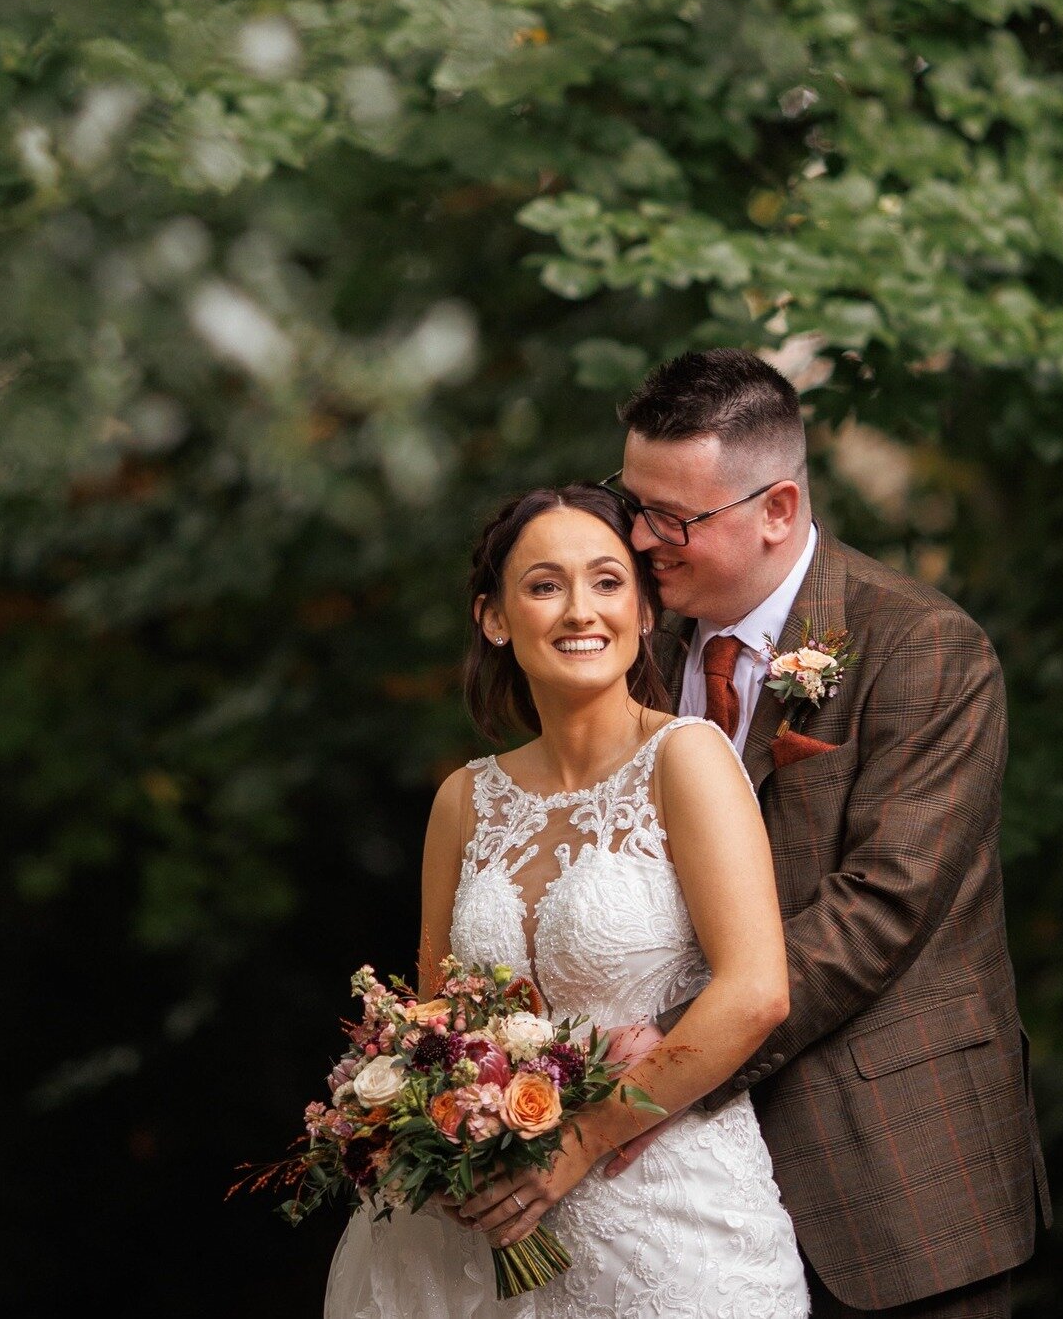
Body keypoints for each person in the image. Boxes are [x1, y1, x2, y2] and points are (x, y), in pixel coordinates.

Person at [598, 348, 1051, 1317]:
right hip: (675, 1201)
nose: (639, 538)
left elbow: (879, 906)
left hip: (889, 1170)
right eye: (630, 502)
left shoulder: (923, 647)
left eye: (674, 518)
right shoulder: (634, 647)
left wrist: (669, 1060)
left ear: (777, 510)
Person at [324, 483, 811, 1317]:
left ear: (646, 611)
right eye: (545, 585)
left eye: (609, 581)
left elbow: (756, 992)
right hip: (477, 1241)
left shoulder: (686, 761)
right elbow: (435, 1023)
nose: (580, 610)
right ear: (495, 618)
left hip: (666, 1225)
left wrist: (581, 1141)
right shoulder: (463, 801)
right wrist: (436, 1135)